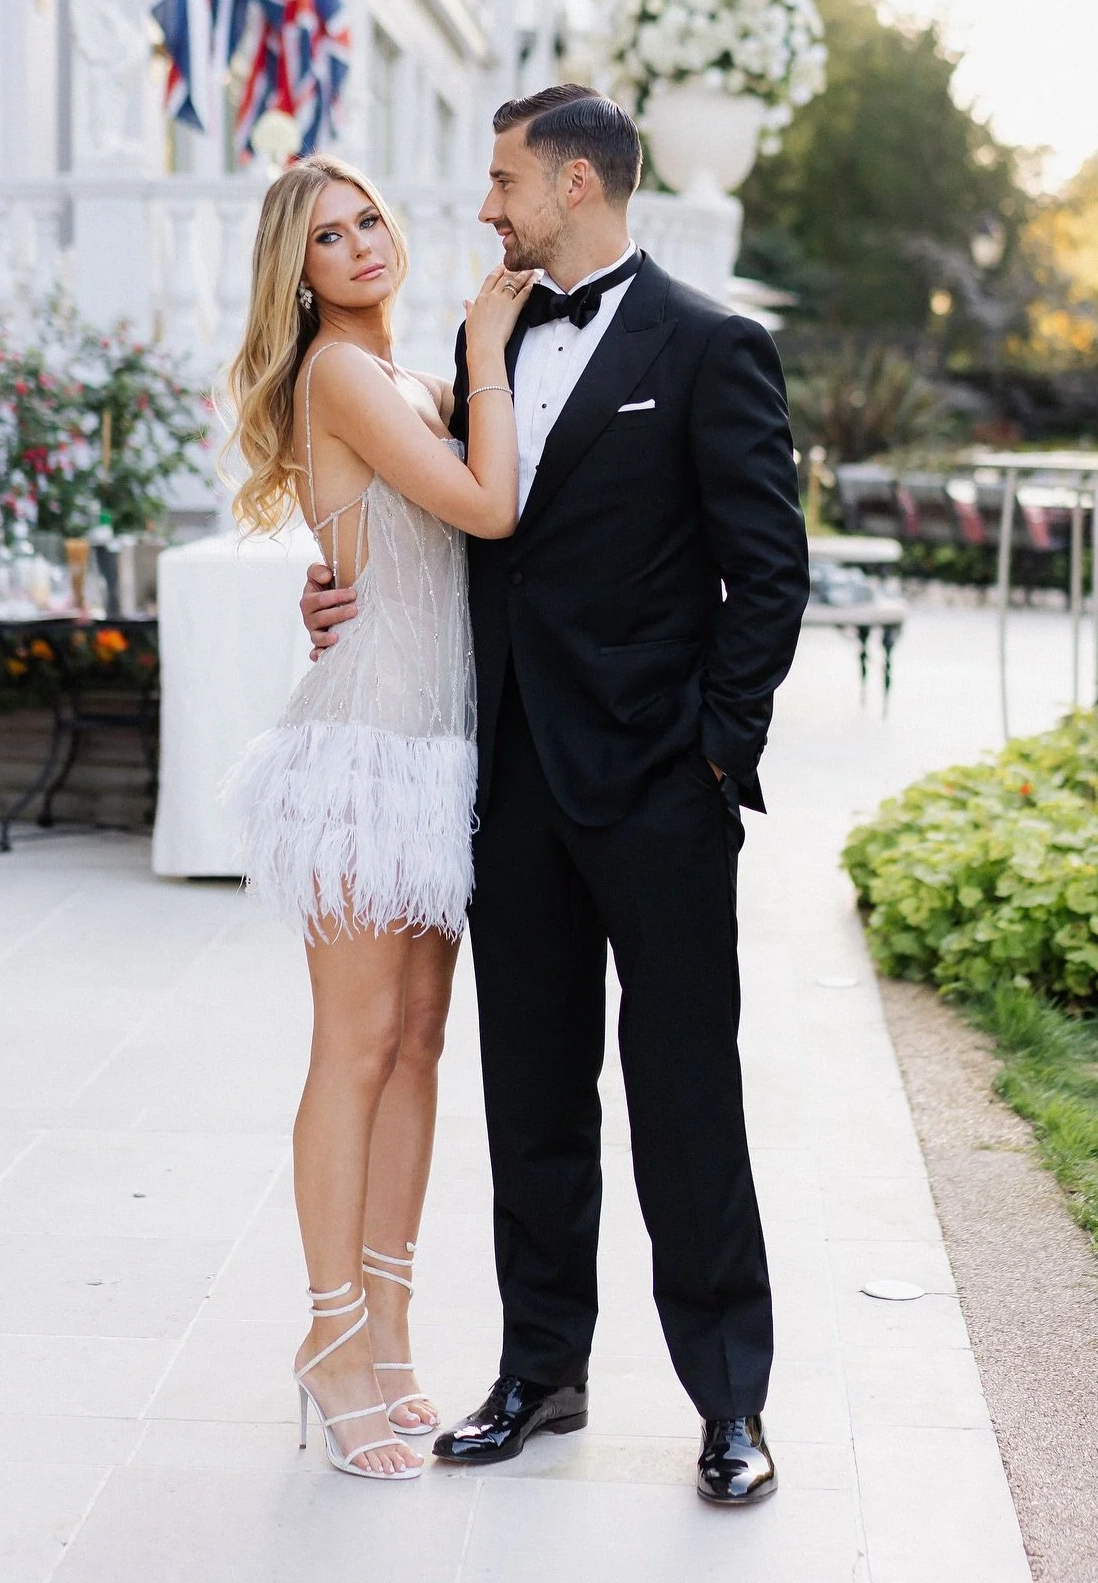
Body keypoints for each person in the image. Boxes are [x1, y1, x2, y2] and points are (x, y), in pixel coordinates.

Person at [302, 87, 810, 1505]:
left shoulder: (713, 347)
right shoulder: (495, 335)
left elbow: (767, 575)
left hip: (659, 789)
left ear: (575, 183)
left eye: (503, 178)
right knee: (530, 1096)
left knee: (687, 1095)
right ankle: (540, 1373)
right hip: (508, 779)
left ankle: (730, 1405)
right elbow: (451, 512)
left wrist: (714, 753)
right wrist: (332, 572)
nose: (483, 205)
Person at [224, 154, 534, 1480]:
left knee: (417, 1049)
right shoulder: (342, 373)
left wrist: (465, 369)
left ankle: (394, 1340)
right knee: (354, 1050)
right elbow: (489, 504)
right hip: (362, 753)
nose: (358, 246)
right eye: (327, 236)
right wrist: (486, 340)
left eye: (367, 222)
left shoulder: (408, 383)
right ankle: (329, 1340)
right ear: (294, 271)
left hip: (439, 754)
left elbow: (427, 549)